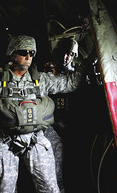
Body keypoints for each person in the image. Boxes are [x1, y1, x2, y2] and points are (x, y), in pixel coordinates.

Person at [0, 35, 84, 193]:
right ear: (13, 54)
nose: (28, 57)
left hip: (36, 139)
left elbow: (70, 84)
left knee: (50, 188)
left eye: (32, 53)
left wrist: (86, 62)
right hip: (7, 140)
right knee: (3, 189)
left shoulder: (41, 80)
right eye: (23, 52)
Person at [43, 37, 79, 192]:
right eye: (64, 53)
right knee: (52, 173)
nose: (66, 58)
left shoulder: (78, 77)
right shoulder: (46, 75)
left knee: (74, 171)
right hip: (51, 129)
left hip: (74, 129)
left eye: (70, 54)